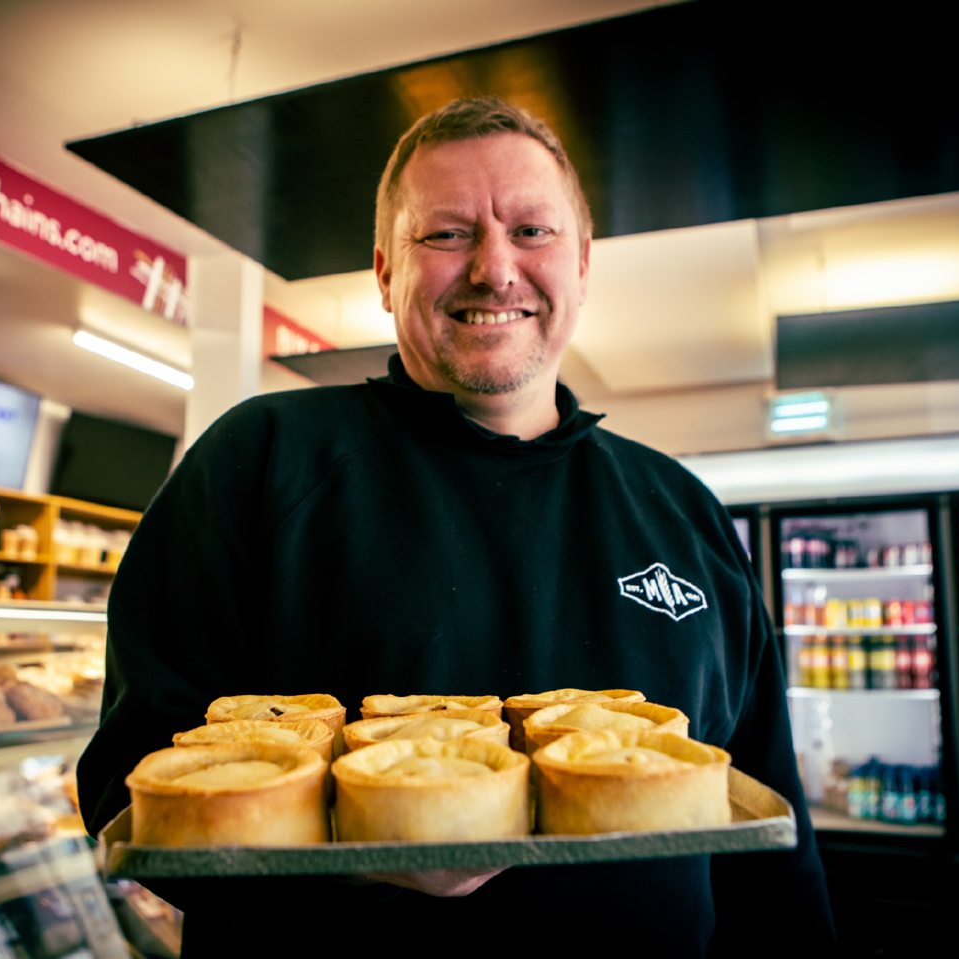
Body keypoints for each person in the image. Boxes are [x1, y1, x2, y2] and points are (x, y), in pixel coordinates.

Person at [78, 96, 835, 950]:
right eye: (444, 234)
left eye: (532, 232)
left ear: (582, 265)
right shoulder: (259, 462)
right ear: (383, 272)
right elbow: (126, 786)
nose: (494, 268)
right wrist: (359, 852)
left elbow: (770, 835)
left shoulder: (680, 508)